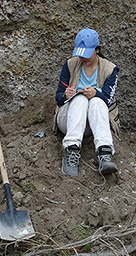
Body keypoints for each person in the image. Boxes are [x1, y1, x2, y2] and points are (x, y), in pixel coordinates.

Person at [54, 27, 119, 177]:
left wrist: (97, 93)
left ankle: (104, 153)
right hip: (69, 122)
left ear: (97, 49)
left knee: (96, 101)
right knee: (81, 99)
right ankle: (71, 150)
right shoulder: (70, 65)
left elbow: (108, 100)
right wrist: (65, 95)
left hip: (95, 123)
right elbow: (58, 97)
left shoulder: (110, 69)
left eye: (87, 54)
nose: (83, 58)